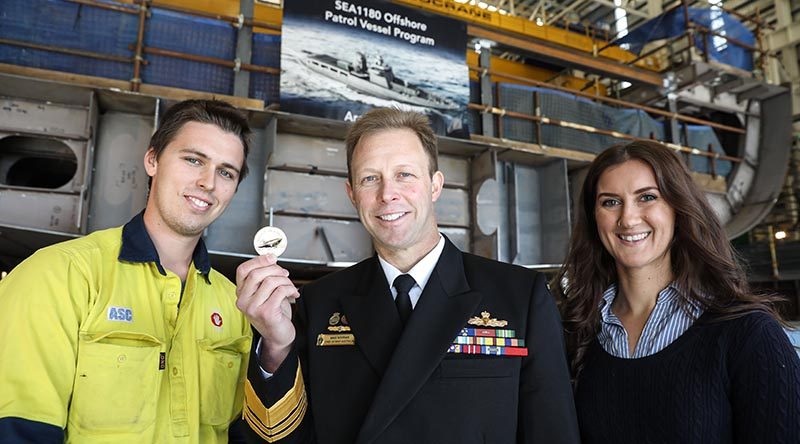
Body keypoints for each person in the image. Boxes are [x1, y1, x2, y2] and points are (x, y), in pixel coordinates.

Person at [235, 108, 580, 443]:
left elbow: (552, 431)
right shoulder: (318, 303)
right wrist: (276, 348)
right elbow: (278, 438)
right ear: (352, 194)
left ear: (434, 185)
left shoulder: (519, 297)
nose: (388, 195)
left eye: (405, 175)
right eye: (370, 178)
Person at [0, 99, 254, 443]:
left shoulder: (235, 304)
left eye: (226, 172)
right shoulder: (59, 274)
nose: (208, 183)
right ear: (152, 160)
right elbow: (19, 430)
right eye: (193, 160)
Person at [554, 140, 800, 443]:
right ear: (594, 218)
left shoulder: (747, 334)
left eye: (646, 197)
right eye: (610, 202)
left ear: (678, 208)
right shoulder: (576, 332)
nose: (628, 218)